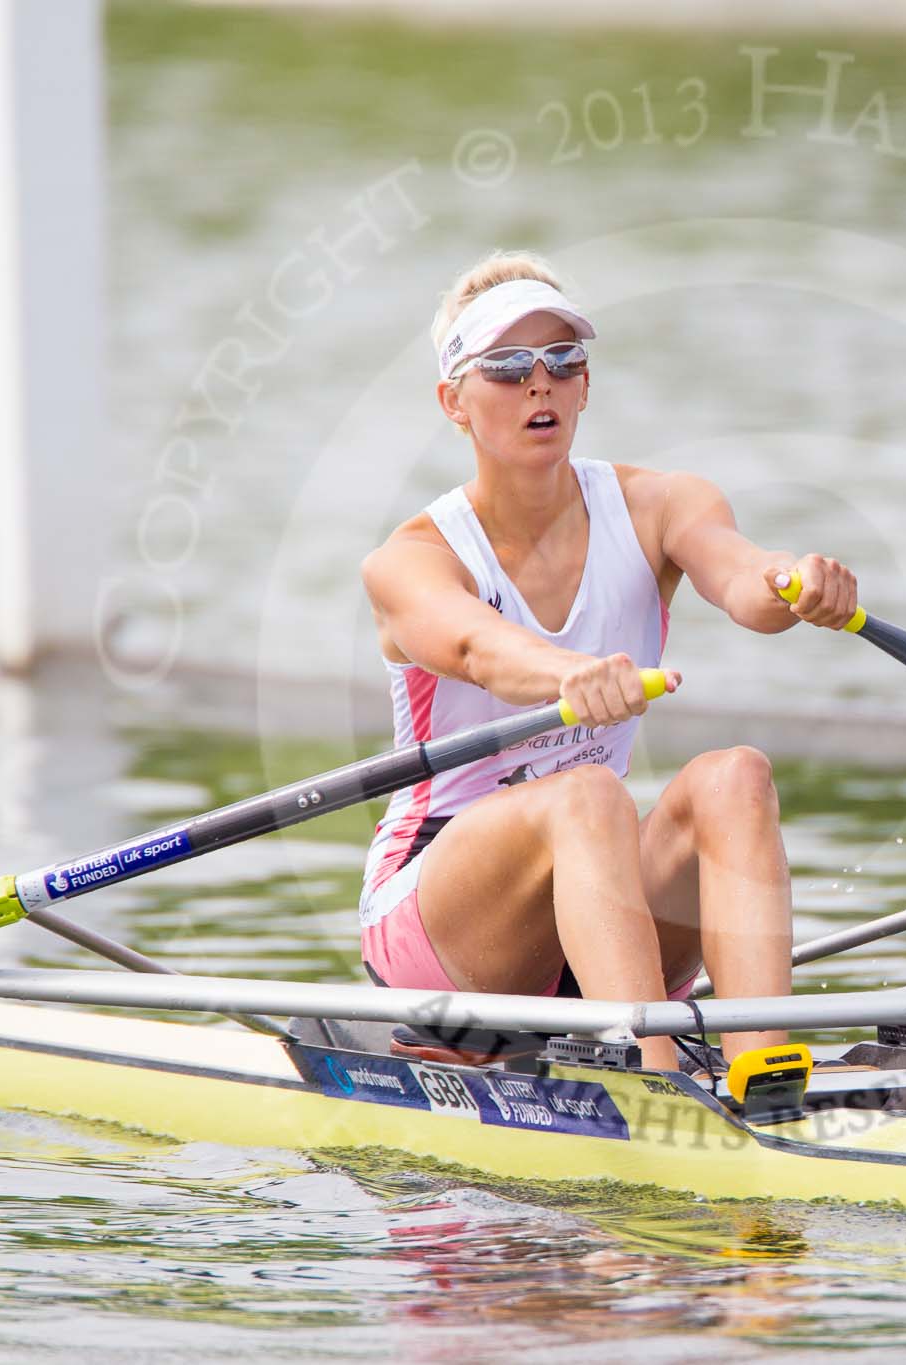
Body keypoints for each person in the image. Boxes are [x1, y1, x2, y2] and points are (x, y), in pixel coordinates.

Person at [358, 251, 860, 1072]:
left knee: (735, 774)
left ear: (585, 385)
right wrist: (566, 675)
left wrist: (796, 583)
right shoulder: (410, 558)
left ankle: (765, 1073)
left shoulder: (661, 504)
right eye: (509, 366)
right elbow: (475, 647)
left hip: (599, 904)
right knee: (590, 793)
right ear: (454, 400)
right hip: (444, 930)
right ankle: (659, 1085)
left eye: (563, 361)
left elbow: (744, 581)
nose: (540, 384)